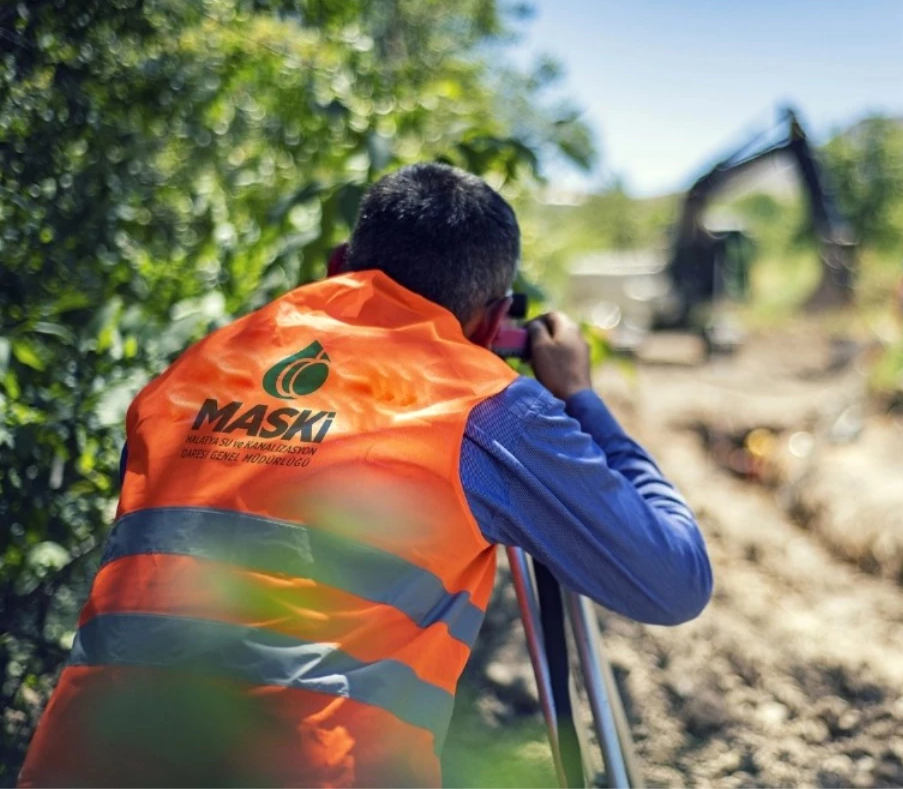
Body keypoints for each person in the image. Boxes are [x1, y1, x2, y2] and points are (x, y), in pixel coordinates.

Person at [20, 163, 712, 789]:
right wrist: (579, 396)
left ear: (339, 264)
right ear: (497, 317)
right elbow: (672, 579)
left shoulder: (194, 367)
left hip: (81, 759)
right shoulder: (484, 408)